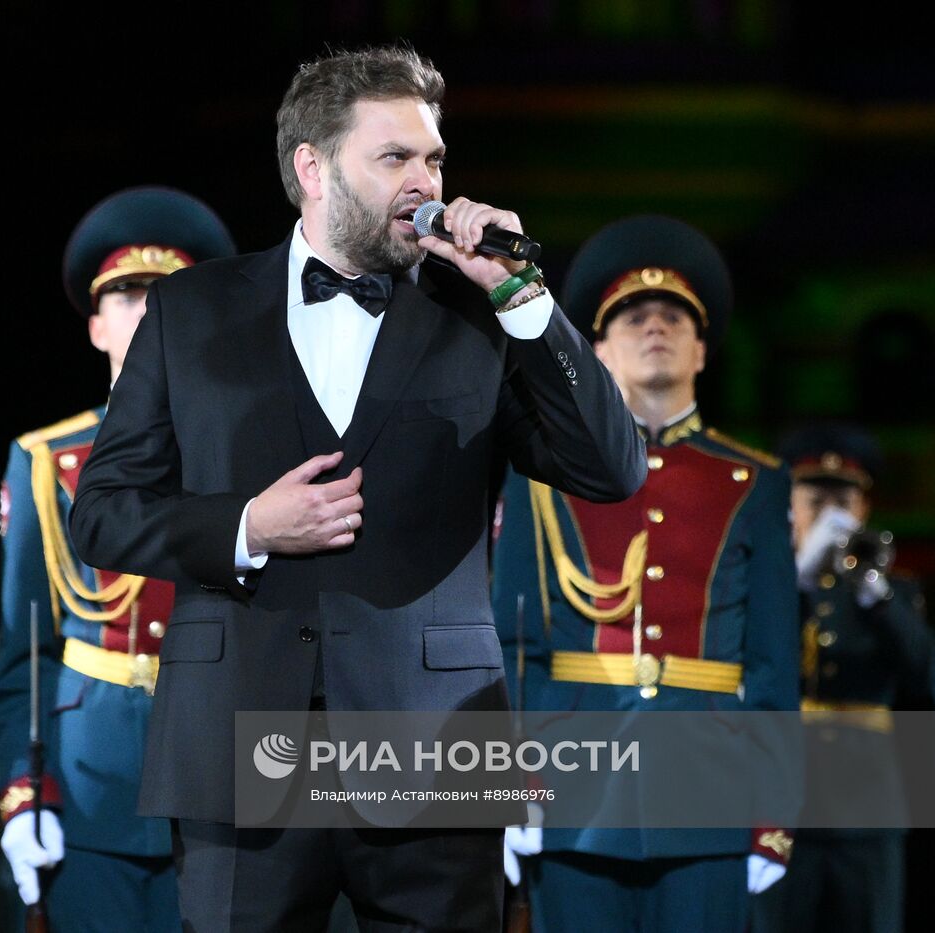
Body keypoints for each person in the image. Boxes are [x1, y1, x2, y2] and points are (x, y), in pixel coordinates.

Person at [68, 47, 644, 932]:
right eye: (395, 158)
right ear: (313, 167)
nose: (427, 182)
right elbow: (102, 514)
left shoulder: (478, 317)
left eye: (434, 159)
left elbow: (611, 469)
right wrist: (248, 525)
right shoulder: (192, 308)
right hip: (238, 747)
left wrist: (521, 296)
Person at [492, 215, 800, 932]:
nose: (654, 326)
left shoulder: (756, 482)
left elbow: (775, 668)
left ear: (703, 347)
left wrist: (774, 813)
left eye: (673, 316)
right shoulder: (541, 477)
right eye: (633, 316)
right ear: (597, 348)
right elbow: (516, 645)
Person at [0, 186, 236, 931]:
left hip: (225, 770)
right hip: (91, 774)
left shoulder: (251, 454)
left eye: (170, 293)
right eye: (128, 295)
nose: (151, 309)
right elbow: (24, 655)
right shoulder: (44, 461)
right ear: (96, 325)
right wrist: (25, 790)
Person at [751, 424, 934, 933]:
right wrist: (797, 580)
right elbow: (756, 661)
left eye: (843, 500)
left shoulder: (893, 593)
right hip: (784, 799)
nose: (830, 514)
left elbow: (925, 673)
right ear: (789, 508)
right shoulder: (768, 585)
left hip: (868, 804)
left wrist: (876, 596)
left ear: (864, 509)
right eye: (815, 499)